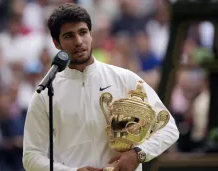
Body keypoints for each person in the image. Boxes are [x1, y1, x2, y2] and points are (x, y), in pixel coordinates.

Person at [23, 3, 179, 171]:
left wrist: (138, 154)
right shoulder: (46, 93)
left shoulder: (125, 79)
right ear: (56, 43)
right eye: (69, 36)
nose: (78, 41)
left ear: (91, 35)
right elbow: (31, 156)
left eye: (83, 33)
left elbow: (169, 128)